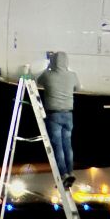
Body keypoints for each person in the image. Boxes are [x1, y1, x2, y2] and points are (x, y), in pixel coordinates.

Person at [36, 51, 81, 188]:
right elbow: (78, 88)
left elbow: (38, 81)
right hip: (68, 114)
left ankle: (64, 175)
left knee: (58, 146)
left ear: (53, 62)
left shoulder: (49, 75)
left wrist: (49, 65)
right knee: (68, 145)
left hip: (54, 115)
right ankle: (70, 172)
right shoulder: (72, 75)